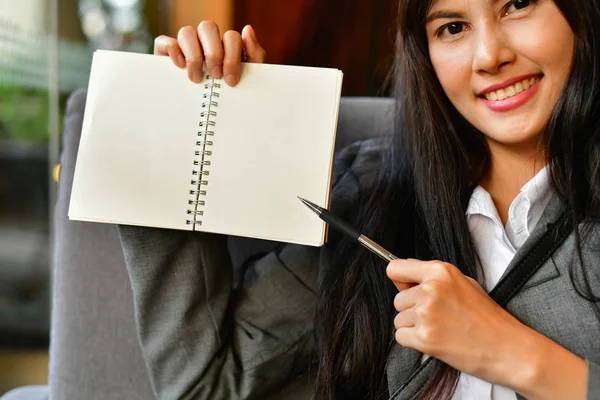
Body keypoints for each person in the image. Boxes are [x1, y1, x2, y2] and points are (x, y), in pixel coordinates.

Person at [118, 0, 600, 398]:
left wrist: (511, 353)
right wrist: (182, 132)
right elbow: (204, 384)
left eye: (517, 4)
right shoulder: (372, 195)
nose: (488, 55)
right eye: (452, 27)